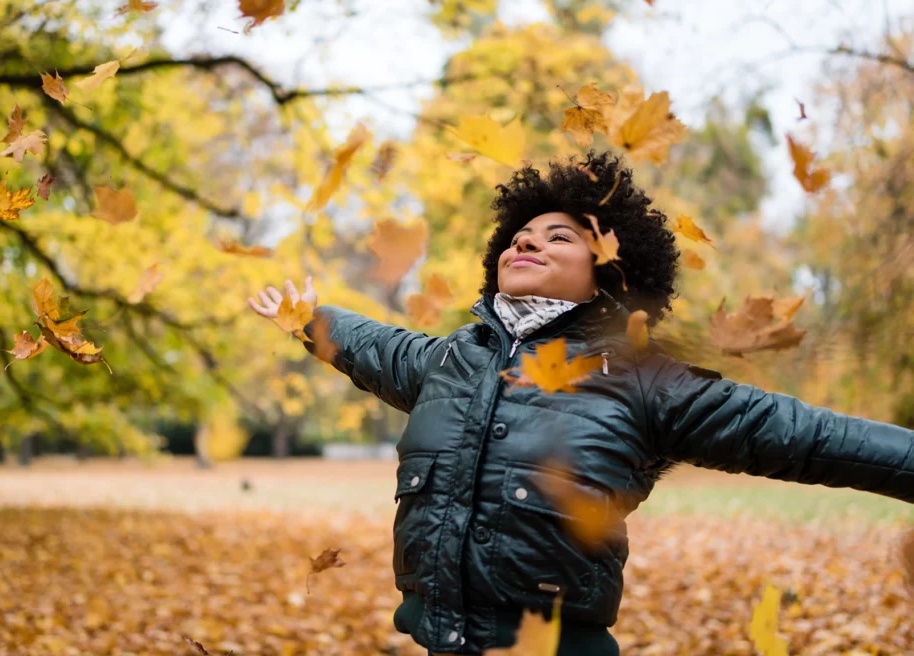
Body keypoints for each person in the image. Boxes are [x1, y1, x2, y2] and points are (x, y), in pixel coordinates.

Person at [248, 151, 914, 655]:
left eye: (560, 237)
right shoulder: (450, 359)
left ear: (609, 272)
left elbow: (805, 435)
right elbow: (371, 343)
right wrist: (311, 319)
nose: (527, 240)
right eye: (520, 234)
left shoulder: (643, 379)